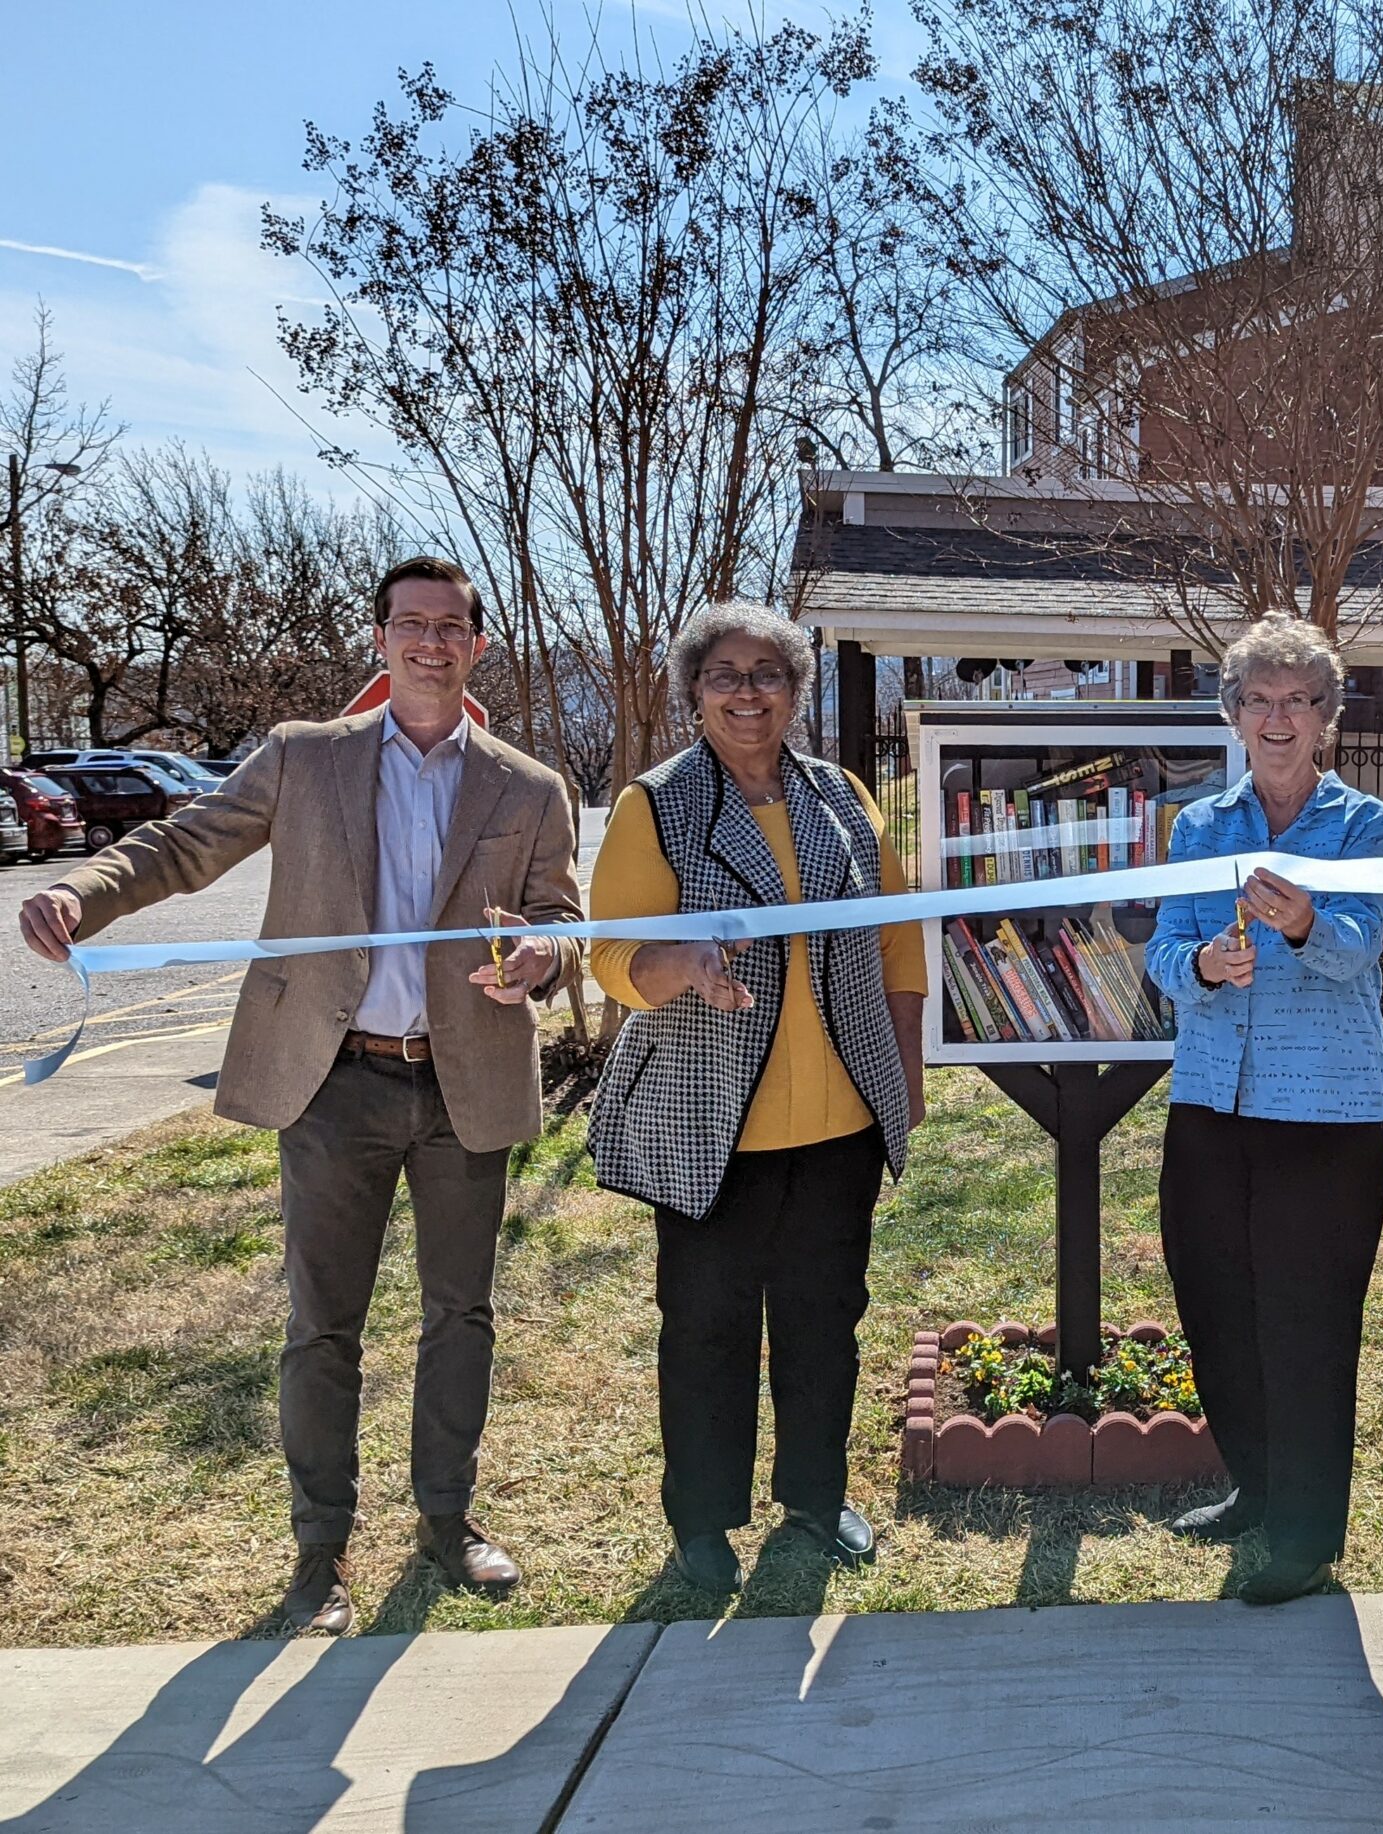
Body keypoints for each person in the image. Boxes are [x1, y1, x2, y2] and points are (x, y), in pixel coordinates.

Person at [18, 555, 582, 1634]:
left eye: (451, 626)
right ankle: (319, 1554)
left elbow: (559, 918)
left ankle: (448, 1521)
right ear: (379, 639)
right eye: (411, 624)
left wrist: (541, 960)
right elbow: (184, 846)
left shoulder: (528, 786)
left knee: (461, 1316)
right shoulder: (304, 759)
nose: (431, 642)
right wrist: (81, 892)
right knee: (323, 1327)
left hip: (465, 1087)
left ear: (479, 644)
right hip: (334, 1084)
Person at [584, 602, 925, 1595]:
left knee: (827, 1318)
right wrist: (679, 963)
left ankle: (815, 1498)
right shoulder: (657, 806)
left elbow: (898, 938)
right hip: (712, 1128)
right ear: (694, 691)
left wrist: (902, 1072)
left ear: (794, 692)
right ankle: (702, 1521)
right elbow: (609, 959)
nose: (747, 691)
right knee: (706, 1328)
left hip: (840, 1125)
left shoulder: (841, 794)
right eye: (726, 673)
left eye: (768, 674)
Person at [1144, 616, 1383, 1606]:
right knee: (1217, 1306)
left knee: (1306, 1322)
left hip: (1326, 1117)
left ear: (1327, 717)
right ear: (1234, 714)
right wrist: (1203, 964)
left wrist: (1303, 925)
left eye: (1300, 699)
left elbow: (1359, 951)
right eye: (1260, 698)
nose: (1279, 716)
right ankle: (1254, 1484)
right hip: (1213, 1103)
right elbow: (1164, 950)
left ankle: (1305, 1533)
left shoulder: (1363, 825)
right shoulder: (1200, 827)